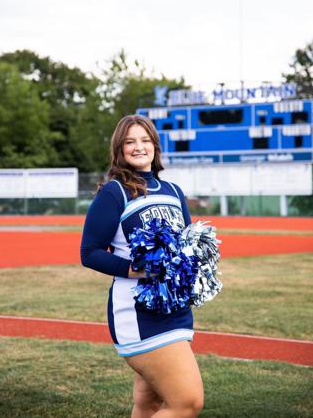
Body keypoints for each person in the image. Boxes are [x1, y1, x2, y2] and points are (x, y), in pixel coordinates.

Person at [80, 115, 204, 417]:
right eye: (130, 142)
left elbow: (185, 244)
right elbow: (90, 252)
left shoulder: (173, 191)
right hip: (138, 313)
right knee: (187, 402)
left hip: (176, 310)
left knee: (149, 404)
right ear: (119, 149)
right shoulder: (115, 192)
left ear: (155, 145)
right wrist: (137, 269)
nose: (139, 147)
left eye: (145, 140)